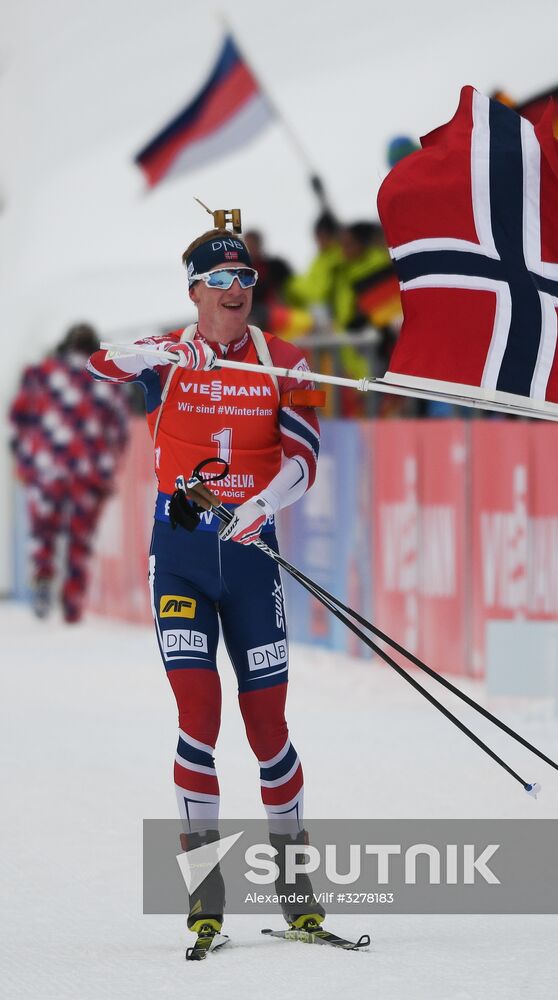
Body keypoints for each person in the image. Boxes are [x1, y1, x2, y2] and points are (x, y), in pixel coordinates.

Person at [87, 219, 326, 951]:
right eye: (218, 281)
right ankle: (205, 896)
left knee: (269, 729)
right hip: (182, 558)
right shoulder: (168, 354)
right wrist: (164, 351)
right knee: (199, 713)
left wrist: (259, 507)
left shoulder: (284, 359)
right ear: (193, 290)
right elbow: (102, 364)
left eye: (244, 279)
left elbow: (306, 458)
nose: (234, 292)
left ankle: (295, 891)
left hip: (252, 557)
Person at [9, 323, 129, 622]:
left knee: (42, 533)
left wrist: (23, 459)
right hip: (88, 473)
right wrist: (109, 467)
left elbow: (18, 418)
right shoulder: (107, 381)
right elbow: (120, 431)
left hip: (46, 468)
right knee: (80, 542)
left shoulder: (40, 374)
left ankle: (42, 578)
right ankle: (72, 605)